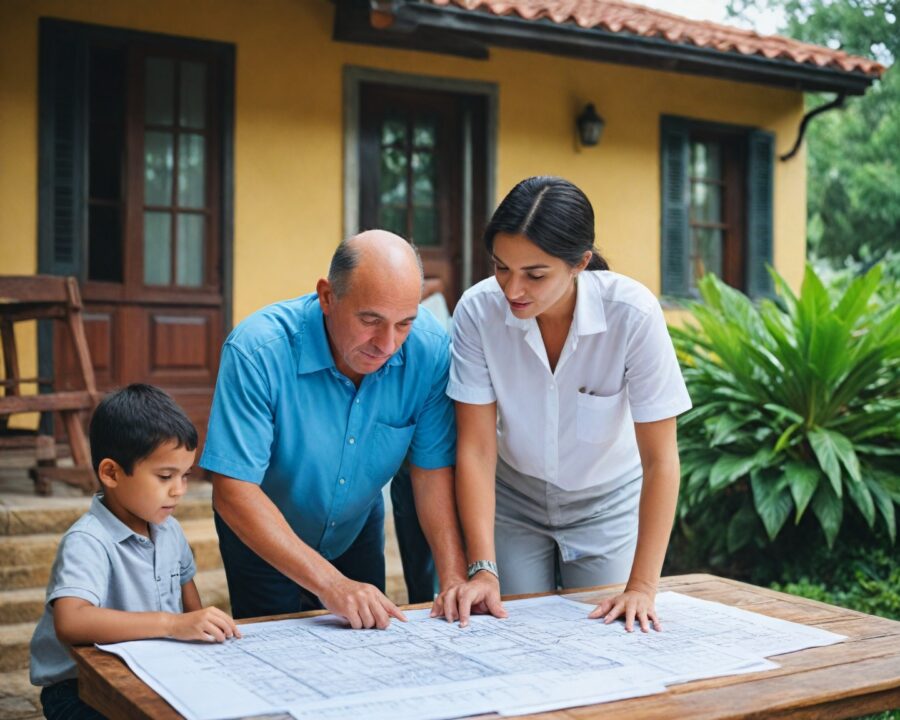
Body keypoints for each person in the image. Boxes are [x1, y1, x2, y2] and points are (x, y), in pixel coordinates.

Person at [201, 230, 502, 629]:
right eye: (370, 320)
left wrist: (451, 577)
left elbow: (431, 474)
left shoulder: (428, 350)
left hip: (355, 528)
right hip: (264, 536)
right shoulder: (257, 351)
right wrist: (331, 584)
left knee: (364, 648)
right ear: (327, 296)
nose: (388, 344)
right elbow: (233, 490)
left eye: (404, 324)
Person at [448, 176, 692, 633]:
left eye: (535, 274)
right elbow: (477, 449)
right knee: (510, 628)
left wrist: (641, 586)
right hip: (513, 500)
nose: (512, 290)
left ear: (580, 263)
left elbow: (661, 460)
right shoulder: (477, 313)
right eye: (501, 268)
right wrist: (483, 566)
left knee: (610, 633)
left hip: (607, 502)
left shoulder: (632, 315)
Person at [30, 384, 240, 720]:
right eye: (165, 476)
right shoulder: (89, 541)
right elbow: (71, 621)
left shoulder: (170, 531)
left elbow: (190, 607)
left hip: (150, 673)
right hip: (80, 689)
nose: (179, 490)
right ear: (111, 473)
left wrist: (201, 631)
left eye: (185, 476)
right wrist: (171, 625)